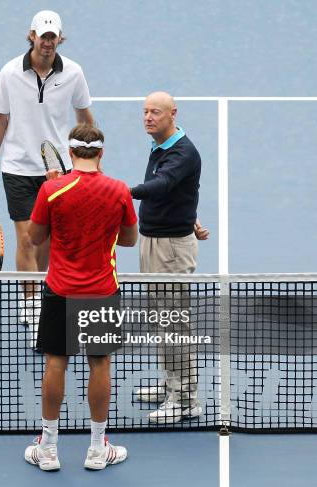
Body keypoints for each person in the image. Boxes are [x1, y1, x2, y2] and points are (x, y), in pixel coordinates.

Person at [25, 124, 137, 471]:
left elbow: (35, 238)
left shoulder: (51, 190)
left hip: (60, 290)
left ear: (70, 152)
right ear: (101, 153)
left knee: (56, 362)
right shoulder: (118, 190)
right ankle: (96, 448)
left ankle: (48, 448)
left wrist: (55, 194)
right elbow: (130, 240)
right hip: (102, 290)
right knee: (100, 363)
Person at [0, 10, 95, 331]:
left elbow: (85, 117)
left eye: (52, 37)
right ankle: (31, 304)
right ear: (32, 36)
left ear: (59, 38)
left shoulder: (73, 73)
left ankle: (40, 291)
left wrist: (91, 157)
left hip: (58, 171)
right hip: (17, 169)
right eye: (42, 36)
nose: (47, 42)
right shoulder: (9, 73)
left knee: (48, 242)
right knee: (27, 239)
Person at [130, 91, 209, 424]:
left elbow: (162, 185)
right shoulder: (160, 145)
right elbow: (182, 190)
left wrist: (116, 191)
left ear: (172, 114)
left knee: (173, 324)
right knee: (161, 321)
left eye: (156, 112)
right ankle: (171, 384)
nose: (148, 117)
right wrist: (189, 215)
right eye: (145, 111)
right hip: (154, 241)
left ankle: (186, 399)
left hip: (170, 250)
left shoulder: (183, 152)